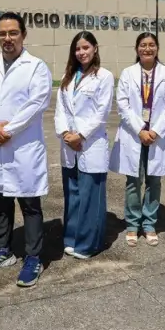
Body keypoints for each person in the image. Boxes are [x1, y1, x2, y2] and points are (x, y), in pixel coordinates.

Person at [0, 12, 53, 287]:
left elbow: (37, 102)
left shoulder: (36, 67)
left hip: (23, 147)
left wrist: (8, 130)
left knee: (29, 203)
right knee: (1, 201)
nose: (8, 38)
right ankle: (3, 250)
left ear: (23, 35)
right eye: (3, 34)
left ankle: (33, 257)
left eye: (13, 33)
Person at [111, 32, 165, 247]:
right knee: (133, 181)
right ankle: (132, 224)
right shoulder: (128, 73)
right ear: (137, 49)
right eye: (143, 45)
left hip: (157, 136)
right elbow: (122, 104)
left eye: (151, 45)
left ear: (157, 48)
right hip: (134, 135)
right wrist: (140, 129)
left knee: (154, 181)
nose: (147, 49)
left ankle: (149, 223)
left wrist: (155, 131)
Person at [54, 31, 114, 259]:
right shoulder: (68, 76)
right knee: (73, 194)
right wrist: (65, 134)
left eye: (86, 47)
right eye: (78, 49)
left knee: (91, 196)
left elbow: (102, 113)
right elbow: (60, 109)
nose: (81, 52)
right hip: (69, 144)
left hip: (90, 144)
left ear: (95, 48)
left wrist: (81, 135)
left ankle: (89, 244)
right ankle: (72, 238)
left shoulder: (104, 76)